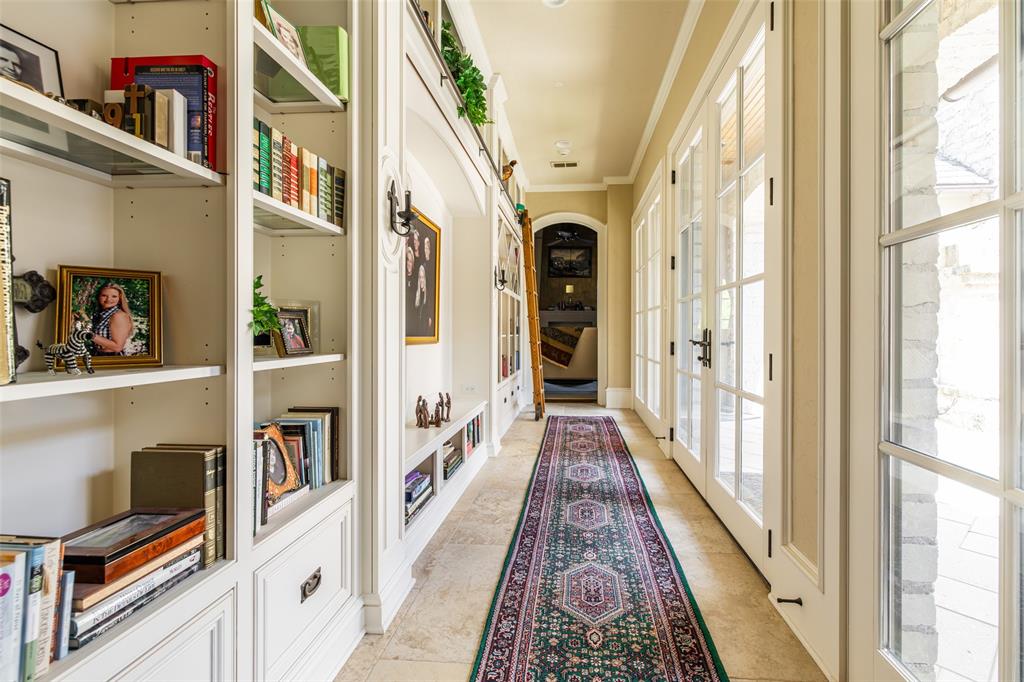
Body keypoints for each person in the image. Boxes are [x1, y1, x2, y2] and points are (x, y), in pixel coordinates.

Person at [90, 282, 133, 355]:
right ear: (98, 297)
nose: (109, 299)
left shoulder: (118, 316)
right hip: (97, 354)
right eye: (104, 295)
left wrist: (88, 335)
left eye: (114, 296)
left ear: (119, 298)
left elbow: (117, 347)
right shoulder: (103, 314)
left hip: (111, 357)